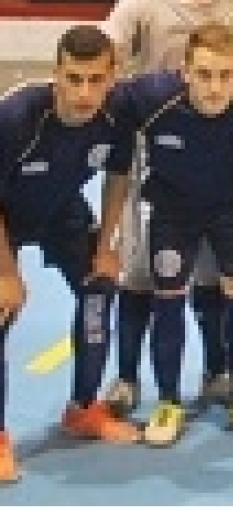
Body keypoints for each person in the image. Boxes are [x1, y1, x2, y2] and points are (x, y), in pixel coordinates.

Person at [101, 0, 233, 419]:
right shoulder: (140, 7)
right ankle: (127, 378)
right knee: (141, 273)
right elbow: (99, 53)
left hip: (220, 159)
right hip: (155, 159)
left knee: (212, 272)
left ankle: (216, 370)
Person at [112, 24, 233, 446]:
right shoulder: (150, 98)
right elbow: (92, 96)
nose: (215, 87)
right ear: (184, 71)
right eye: (203, 75)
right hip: (173, 212)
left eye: (226, 75)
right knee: (168, 298)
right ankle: (168, 402)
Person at [0, 26, 140, 483]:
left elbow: (118, 177)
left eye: (96, 80)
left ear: (112, 77)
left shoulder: (117, 116)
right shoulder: (17, 116)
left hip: (62, 209)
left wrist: (106, 247)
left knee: (100, 289)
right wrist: (7, 273)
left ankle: (82, 409)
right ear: (56, 74)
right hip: (5, 214)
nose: (84, 93)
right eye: (74, 79)